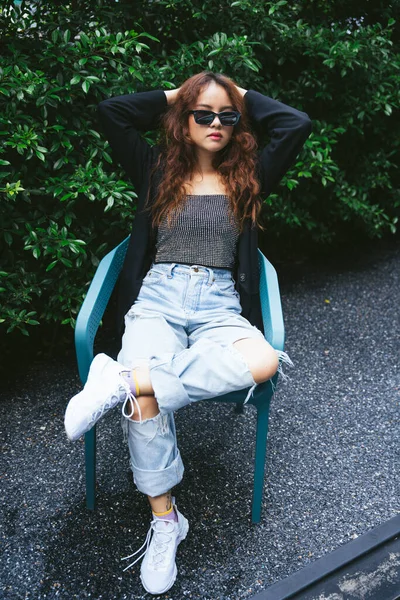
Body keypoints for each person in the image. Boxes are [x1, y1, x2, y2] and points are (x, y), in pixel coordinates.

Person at [64, 71, 312, 595]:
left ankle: (125, 377)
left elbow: (296, 124)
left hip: (220, 303)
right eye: (204, 114)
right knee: (145, 403)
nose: (217, 123)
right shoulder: (156, 169)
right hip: (158, 299)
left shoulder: (251, 174)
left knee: (264, 360)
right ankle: (166, 520)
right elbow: (111, 111)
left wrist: (237, 93)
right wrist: (179, 93)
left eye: (228, 116)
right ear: (184, 121)